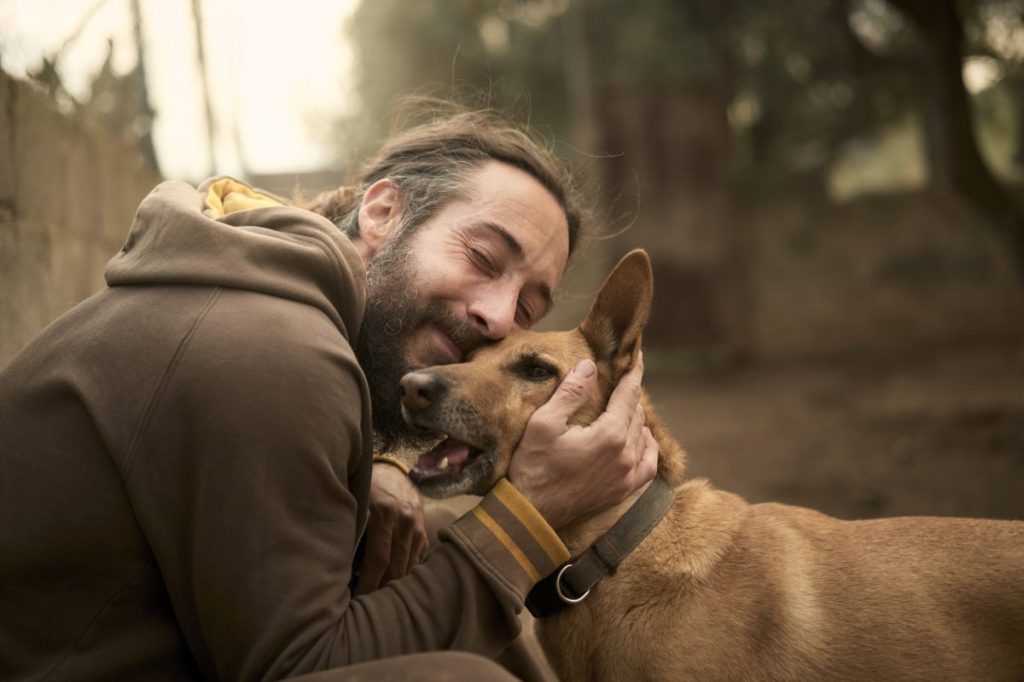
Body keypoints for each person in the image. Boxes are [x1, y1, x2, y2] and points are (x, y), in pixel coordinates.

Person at [0, 105, 658, 681]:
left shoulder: (270, 311)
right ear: (381, 212)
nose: (497, 317)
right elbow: (298, 669)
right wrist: (526, 520)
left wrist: (381, 465)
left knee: (411, 549)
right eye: (484, 259)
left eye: (528, 307)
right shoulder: (272, 349)